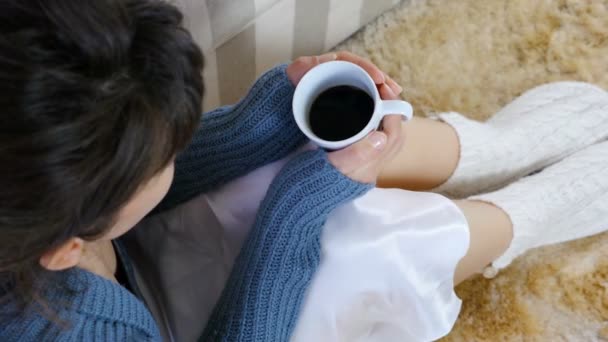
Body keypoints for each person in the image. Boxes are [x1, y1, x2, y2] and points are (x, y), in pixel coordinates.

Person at [1, 0, 607, 341]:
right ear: (63, 248)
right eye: (165, 152)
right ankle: (526, 215)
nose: (178, 148)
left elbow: (140, 186)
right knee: (353, 252)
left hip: (129, 255)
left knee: (299, 155)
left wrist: (269, 118)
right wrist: (296, 214)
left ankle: (491, 153)